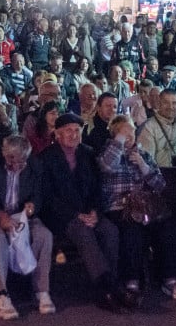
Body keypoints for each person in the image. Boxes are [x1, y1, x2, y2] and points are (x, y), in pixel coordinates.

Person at [39, 113, 128, 313]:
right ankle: (106, 290)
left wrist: (95, 212)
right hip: (62, 216)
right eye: (68, 131)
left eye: (77, 130)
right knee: (83, 233)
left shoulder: (87, 153)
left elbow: (97, 188)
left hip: (89, 211)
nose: (73, 135)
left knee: (110, 230)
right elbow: (48, 197)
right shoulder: (47, 158)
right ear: (58, 134)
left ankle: (110, 284)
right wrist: (76, 215)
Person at [98, 115, 176, 301]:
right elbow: (106, 167)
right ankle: (132, 280)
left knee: (169, 226)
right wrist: (119, 141)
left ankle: (170, 279)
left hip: (144, 206)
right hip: (119, 206)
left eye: (131, 131)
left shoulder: (143, 154)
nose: (129, 135)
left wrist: (143, 166)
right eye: (124, 132)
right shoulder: (107, 152)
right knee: (132, 228)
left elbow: (161, 185)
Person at [0, 135, 56, 319]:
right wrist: (0, 215)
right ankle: (1, 295)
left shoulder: (34, 166)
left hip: (21, 215)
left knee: (44, 235)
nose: (17, 164)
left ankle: (41, 290)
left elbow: (38, 196)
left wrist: (32, 206)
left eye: (22, 160)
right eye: (12, 159)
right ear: (4, 154)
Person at [137, 89, 176, 167]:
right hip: (160, 174)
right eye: (166, 102)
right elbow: (146, 161)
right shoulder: (148, 127)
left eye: (174, 103)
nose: (170, 107)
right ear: (159, 104)